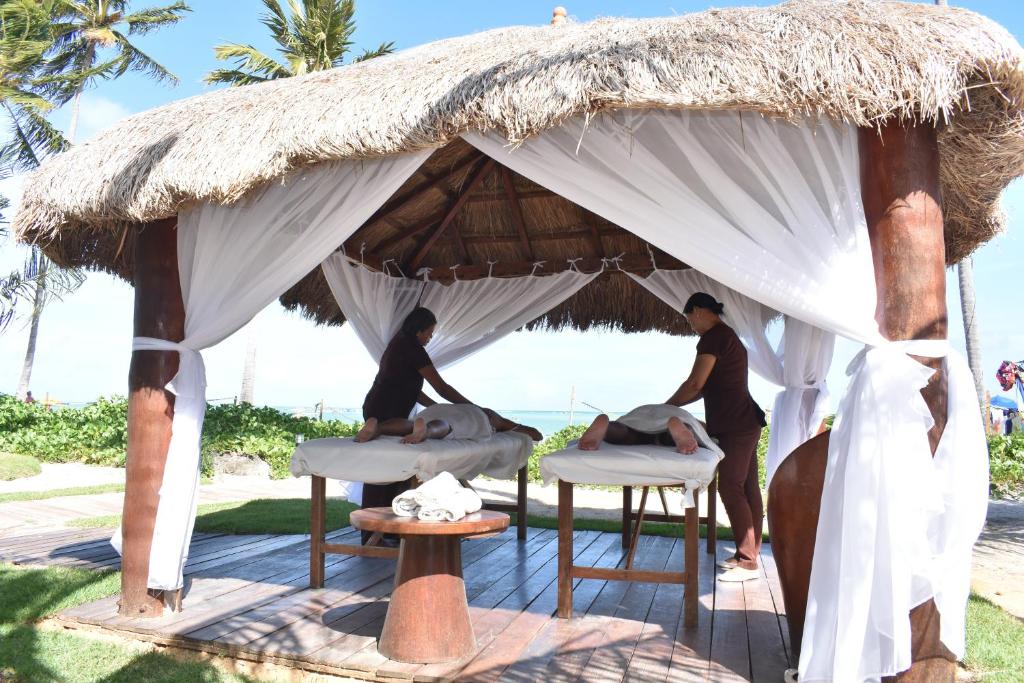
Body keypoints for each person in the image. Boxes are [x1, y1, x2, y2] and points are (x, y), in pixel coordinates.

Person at [584, 292, 766, 582]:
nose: (691, 324)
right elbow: (701, 387)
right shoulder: (728, 336)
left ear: (698, 310)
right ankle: (750, 554)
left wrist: (666, 407)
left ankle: (747, 562)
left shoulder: (714, 337)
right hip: (744, 421)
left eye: (689, 318)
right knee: (747, 488)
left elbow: (695, 383)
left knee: (731, 487)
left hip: (735, 425)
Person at [355, 306, 540, 542]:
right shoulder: (413, 348)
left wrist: (436, 408)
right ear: (419, 329)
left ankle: (379, 533)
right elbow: (442, 387)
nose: (430, 338)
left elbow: (410, 388)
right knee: (387, 471)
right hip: (390, 409)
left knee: (386, 468)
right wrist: (472, 408)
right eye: (429, 333)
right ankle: (378, 533)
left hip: (380, 408)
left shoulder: (397, 344)